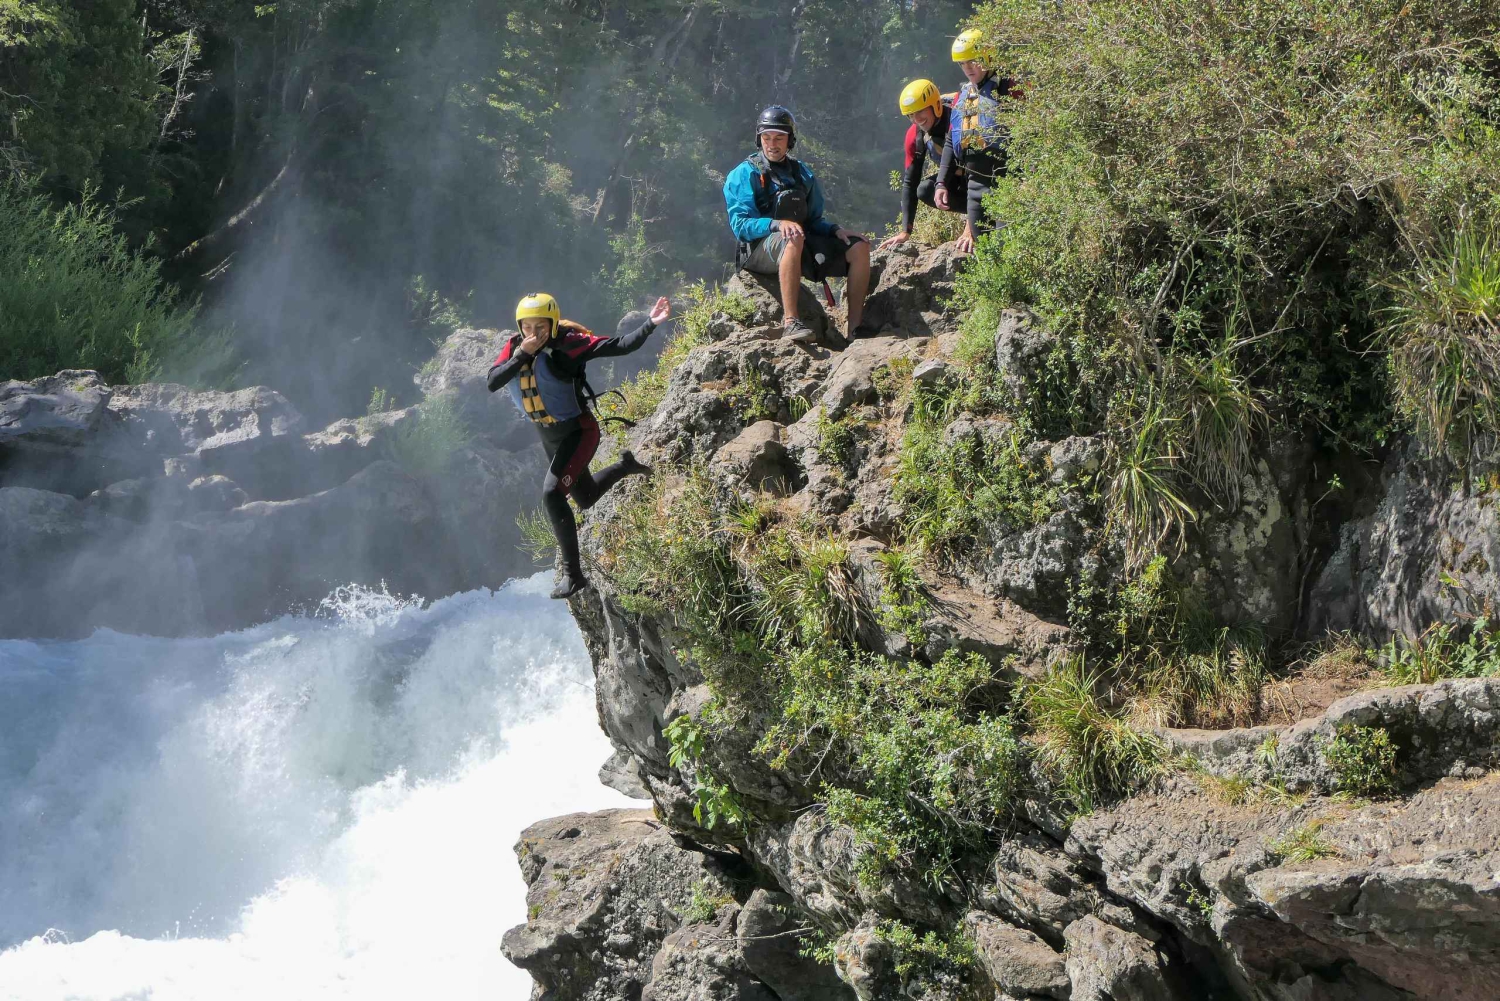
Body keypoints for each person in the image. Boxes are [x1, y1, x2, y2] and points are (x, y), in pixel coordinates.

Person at [487, 291, 670, 599]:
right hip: (548, 435)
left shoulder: (569, 344)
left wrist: (651, 323)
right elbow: (492, 381)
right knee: (584, 497)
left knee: (552, 494)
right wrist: (523, 354)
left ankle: (574, 576)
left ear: (553, 323)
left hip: (578, 431)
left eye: (540, 327)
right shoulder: (514, 347)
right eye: (527, 327)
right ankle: (626, 466)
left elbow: (621, 345)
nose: (533, 333)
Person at [723, 105, 877, 344]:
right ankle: (791, 323)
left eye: (779, 138)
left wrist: (835, 230)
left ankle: (855, 329)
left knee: (859, 246)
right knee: (792, 237)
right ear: (759, 139)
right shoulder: (743, 174)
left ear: (790, 140)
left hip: (796, 243)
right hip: (757, 251)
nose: (772, 144)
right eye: (766, 138)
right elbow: (740, 226)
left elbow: (813, 221)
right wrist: (776, 224)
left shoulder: (802, 173)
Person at [937, 28, 1023, 255]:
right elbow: (950, 140)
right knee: (983, 254)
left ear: (988, 56)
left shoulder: (1009, 89)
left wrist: (1028, 177)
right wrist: (941, 183)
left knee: (1008, 251)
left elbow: (1031, 134)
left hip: (1007, 184)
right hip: (976, 188)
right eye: (962, 63)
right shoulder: (964, 95)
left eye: (973, 61)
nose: (967, 68)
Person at [878, 79, 967, 252]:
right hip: (959, 179)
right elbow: (910, 182)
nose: (916, 119)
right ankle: (982, 214)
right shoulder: (916, 135)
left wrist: (970, 228)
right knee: (925, 190)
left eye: (920, 112)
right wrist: (905, 231)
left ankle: (978, 215)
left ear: (935, 105)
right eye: (910, 115)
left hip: (984, 175)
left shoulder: (959, 117)